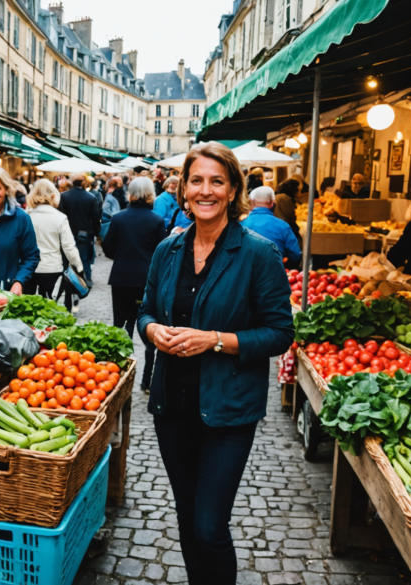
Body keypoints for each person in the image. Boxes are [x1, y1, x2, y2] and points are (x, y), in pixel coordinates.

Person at [137, 142, 293, 584]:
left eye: (216, 181)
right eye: (197, 180)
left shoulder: (257, 253)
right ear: (183, 188)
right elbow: (145, 310)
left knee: (209, 525)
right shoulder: (168, 250)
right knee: (187, 520)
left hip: (227, 412)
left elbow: (280, 334)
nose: (205, 190)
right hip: (173, 407)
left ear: (232, 189)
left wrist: (215, 341)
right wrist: (153, 332)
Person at [102, 177, 166, 392]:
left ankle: (118, 375)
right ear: (150, 194)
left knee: (120, 326)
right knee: (148, 328)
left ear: (131, 193)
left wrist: (123, 257)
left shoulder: (119, 218)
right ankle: (146, 382)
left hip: (121, 278)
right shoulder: (157, 220)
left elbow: (108, 248)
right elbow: (162, 253)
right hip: (145, 281)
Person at [25, 178, 84, 311]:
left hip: (29, 269)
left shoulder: (26, 215)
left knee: (29, 307)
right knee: (50, 308)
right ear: (53, 195)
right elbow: (69, 247)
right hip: (52, 268)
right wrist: (79, 266)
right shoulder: (59, 217)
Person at [240, 187, 302, 266]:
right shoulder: (283, 226)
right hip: (275, 272)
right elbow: (296, 255)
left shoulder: (240, 224)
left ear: (251, 202)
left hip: (245, 272)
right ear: (272, 203)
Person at [58, 173, 101, 282]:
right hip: (84, 233)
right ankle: (86, 281)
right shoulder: (91, 197)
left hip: (67, 232)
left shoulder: (63, 196)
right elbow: (96, 218)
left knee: (67, 258)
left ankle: (68, 280)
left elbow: (60, 215)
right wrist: (96, 233)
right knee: (84, 259)